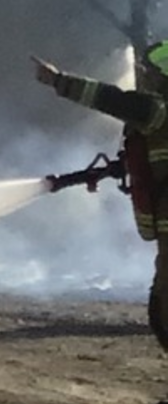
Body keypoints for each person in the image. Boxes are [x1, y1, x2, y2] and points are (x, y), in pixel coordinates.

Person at [33, 40, 168, 349]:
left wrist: (59, 81)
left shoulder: (157, 111)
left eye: (151, 72)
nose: (145, 77)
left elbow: (109, 99)